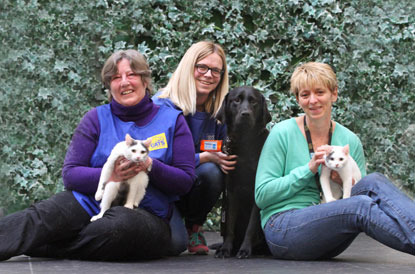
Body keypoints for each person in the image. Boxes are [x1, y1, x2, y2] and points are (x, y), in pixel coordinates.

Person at [0, 49, 196, 261]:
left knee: (118, 227)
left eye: (131, 75)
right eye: (115, 78)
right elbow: (71, 174)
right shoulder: (95, 118)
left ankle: (45, 247)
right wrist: (113, 175)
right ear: (109, 86)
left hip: (145, 212)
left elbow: (185, 181)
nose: (124, 83)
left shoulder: (172, 120)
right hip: (92, 201)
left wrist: (150, 165)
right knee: (45, 215)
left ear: (145, 81)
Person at [255, 62, 415, 260]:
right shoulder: (282, 132)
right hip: (284, 228)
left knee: (373, 181)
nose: (313, 100)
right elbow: (262, 196)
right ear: (298, 100)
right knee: (360, 206)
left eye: (320, 92)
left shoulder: (349, 140)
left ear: (334, 94)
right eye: (305, 95)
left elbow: (360, 194)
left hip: (329, 231)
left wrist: (341, 180)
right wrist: (308, 169)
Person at [153, 41, 237, 255]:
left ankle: (194, 228)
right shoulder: (161, 106)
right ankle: (169, 222)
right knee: (173, 245)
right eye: (202, 67)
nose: (209, 75)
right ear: (189, 67)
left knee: (213, 172)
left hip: (193, 188)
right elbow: (157, 161)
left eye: (216, 70)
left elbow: (224, 152)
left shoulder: (218, 113)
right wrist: (204, 157)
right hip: (162, 191)